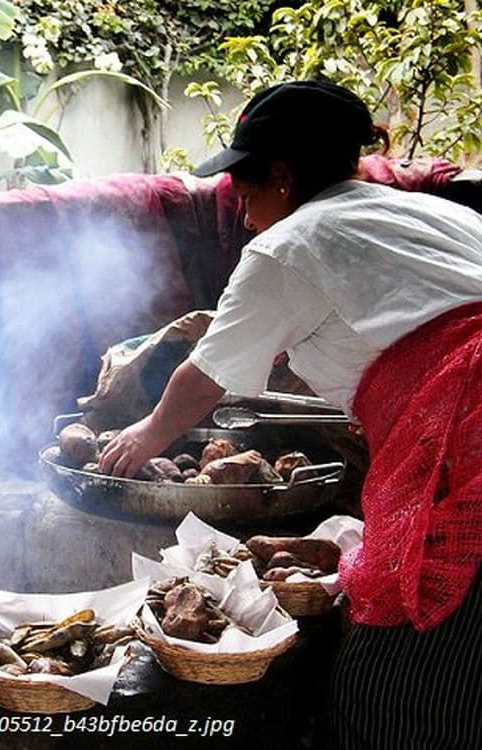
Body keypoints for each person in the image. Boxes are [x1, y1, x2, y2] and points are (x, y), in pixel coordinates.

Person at [98, 80, 482, 749]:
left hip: (470, 451)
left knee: (398, 686)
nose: (246, 219)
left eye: (246, 198)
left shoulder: (289, 244)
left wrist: (146, 435)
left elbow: (204, 381)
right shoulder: (432, 215)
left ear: (281, 175)